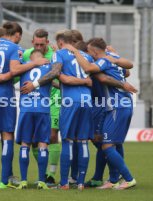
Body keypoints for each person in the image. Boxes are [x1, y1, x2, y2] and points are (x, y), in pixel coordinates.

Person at [0, 21, 49, 189]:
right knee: (7, 137)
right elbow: (13, 72)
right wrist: (34, 63)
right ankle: (4, 181)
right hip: (5, 96)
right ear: (17, 35)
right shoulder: (12, 48)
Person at [21, 30, 94, 190]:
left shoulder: (59, 54)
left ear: (60, 42)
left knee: (67, 140)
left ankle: (64, 183)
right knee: (82, 142)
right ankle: (80, 183)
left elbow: (55, 72)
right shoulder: (86, 57)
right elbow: (86, 78)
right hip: (87, 100)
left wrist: (35, 84)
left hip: (70, 101)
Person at [64, 37, 137, 190]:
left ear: (94, 51)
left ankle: (126, 178)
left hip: (114, 105)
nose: (89, 56)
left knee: (107, 144)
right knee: (110, 143)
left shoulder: (102, 60)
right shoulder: (112, 58)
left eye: (90, 52)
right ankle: (112, 178)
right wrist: (116, 57)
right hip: (117, 104)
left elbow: (91, 70)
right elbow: (127, 70)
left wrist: (76, 52)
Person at [22, 28, 61, 185]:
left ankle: (50, 174)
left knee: (51, 136)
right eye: (36, 44)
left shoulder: (55, 55)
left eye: (41, 44)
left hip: (54, 99)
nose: (38, 47)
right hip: (33, 100)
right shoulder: (26, 55)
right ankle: (42, 174)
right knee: (32, 140)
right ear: (32, 42)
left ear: (47, 42)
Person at [16, 49, 52, 190]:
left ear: (31, 58)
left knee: (25, 144)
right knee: (43, 144)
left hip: (26, 109)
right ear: (42, 57)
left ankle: (23, 181)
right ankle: (42, 181)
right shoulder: (49, 66)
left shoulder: (24, 65)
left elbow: (12, 69)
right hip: (42, 109)